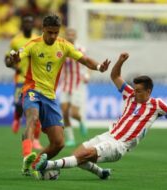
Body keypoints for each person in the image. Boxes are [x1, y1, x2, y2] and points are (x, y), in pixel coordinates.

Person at [34, 52, 167, 180]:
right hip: (108, 134)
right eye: (134, 89)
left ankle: (48, 166)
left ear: (148, 91)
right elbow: (115, 76)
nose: (134, 93)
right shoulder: (129, 94)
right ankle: (101, 173)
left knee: (84, 155)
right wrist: (120, 61)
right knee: (78, 155)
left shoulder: (157, 105)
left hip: (119, 145)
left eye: (139, 91)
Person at [8, 13, 110, 176]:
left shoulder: (64, 45)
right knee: (32, 118)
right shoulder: (33, 44)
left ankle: (34, 165)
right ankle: (27, 156)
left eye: (56, 32)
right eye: (50, 32)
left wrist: (99, 67)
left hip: (50, 96)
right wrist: (11, 59)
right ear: (43, 30)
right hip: (32, 90)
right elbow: (13, 59)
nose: (53, 36)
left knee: (58, 143)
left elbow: (84, 60)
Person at [5, 15, 43, 150]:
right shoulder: (16, 41)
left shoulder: (37, 39)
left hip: (35, 80)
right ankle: (16, 118)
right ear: (22, 25)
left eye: (30, 22)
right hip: (20, 79)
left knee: (35, 111)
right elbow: (7, 60)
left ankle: (36, 140)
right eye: (26, 22)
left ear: (33, 25)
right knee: (18, 104)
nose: (28, 24)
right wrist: (16, 67)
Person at [59, 28, 89, 147]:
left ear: (75, 36)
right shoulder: (61, 49)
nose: (70, 36)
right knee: (65, 112)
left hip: (77, 84)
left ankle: (81, 121)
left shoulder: (81, 49)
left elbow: (87, 64)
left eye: (72, 34)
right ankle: (70, 138)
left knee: (73, 113)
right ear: (65, 36)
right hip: (66, 84)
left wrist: (86, 75)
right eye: (68, 34)